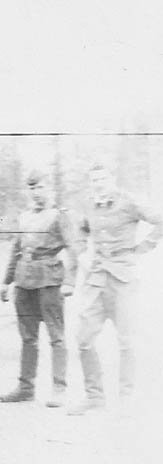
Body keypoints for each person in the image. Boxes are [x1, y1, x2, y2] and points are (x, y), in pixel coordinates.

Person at [68, 163, 162, 415]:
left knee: (126, 340)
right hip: (97, 278)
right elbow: (80, 230)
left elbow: (160, 219)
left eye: (103, 178)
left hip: (123, 279)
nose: (98, 184)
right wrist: (82, 253)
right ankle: (94, 397)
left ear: (112, 179)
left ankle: (127, 398)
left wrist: (144, 247)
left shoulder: (128, 201)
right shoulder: (88, 204)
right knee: (84, 338)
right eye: (94, 179)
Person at [0, 170, 77, 407]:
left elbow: (73, 250)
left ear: (50, 188)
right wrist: (6, 281)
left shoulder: (59, 216)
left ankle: (59, 389)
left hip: (49, 280)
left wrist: (70, 282)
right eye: (32, 188)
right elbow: (16, 250)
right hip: (24, 281)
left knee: (56, 336)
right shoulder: (24, 217)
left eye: (40, 187)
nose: (36, 193)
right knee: (28, 337)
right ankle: (26, 388)